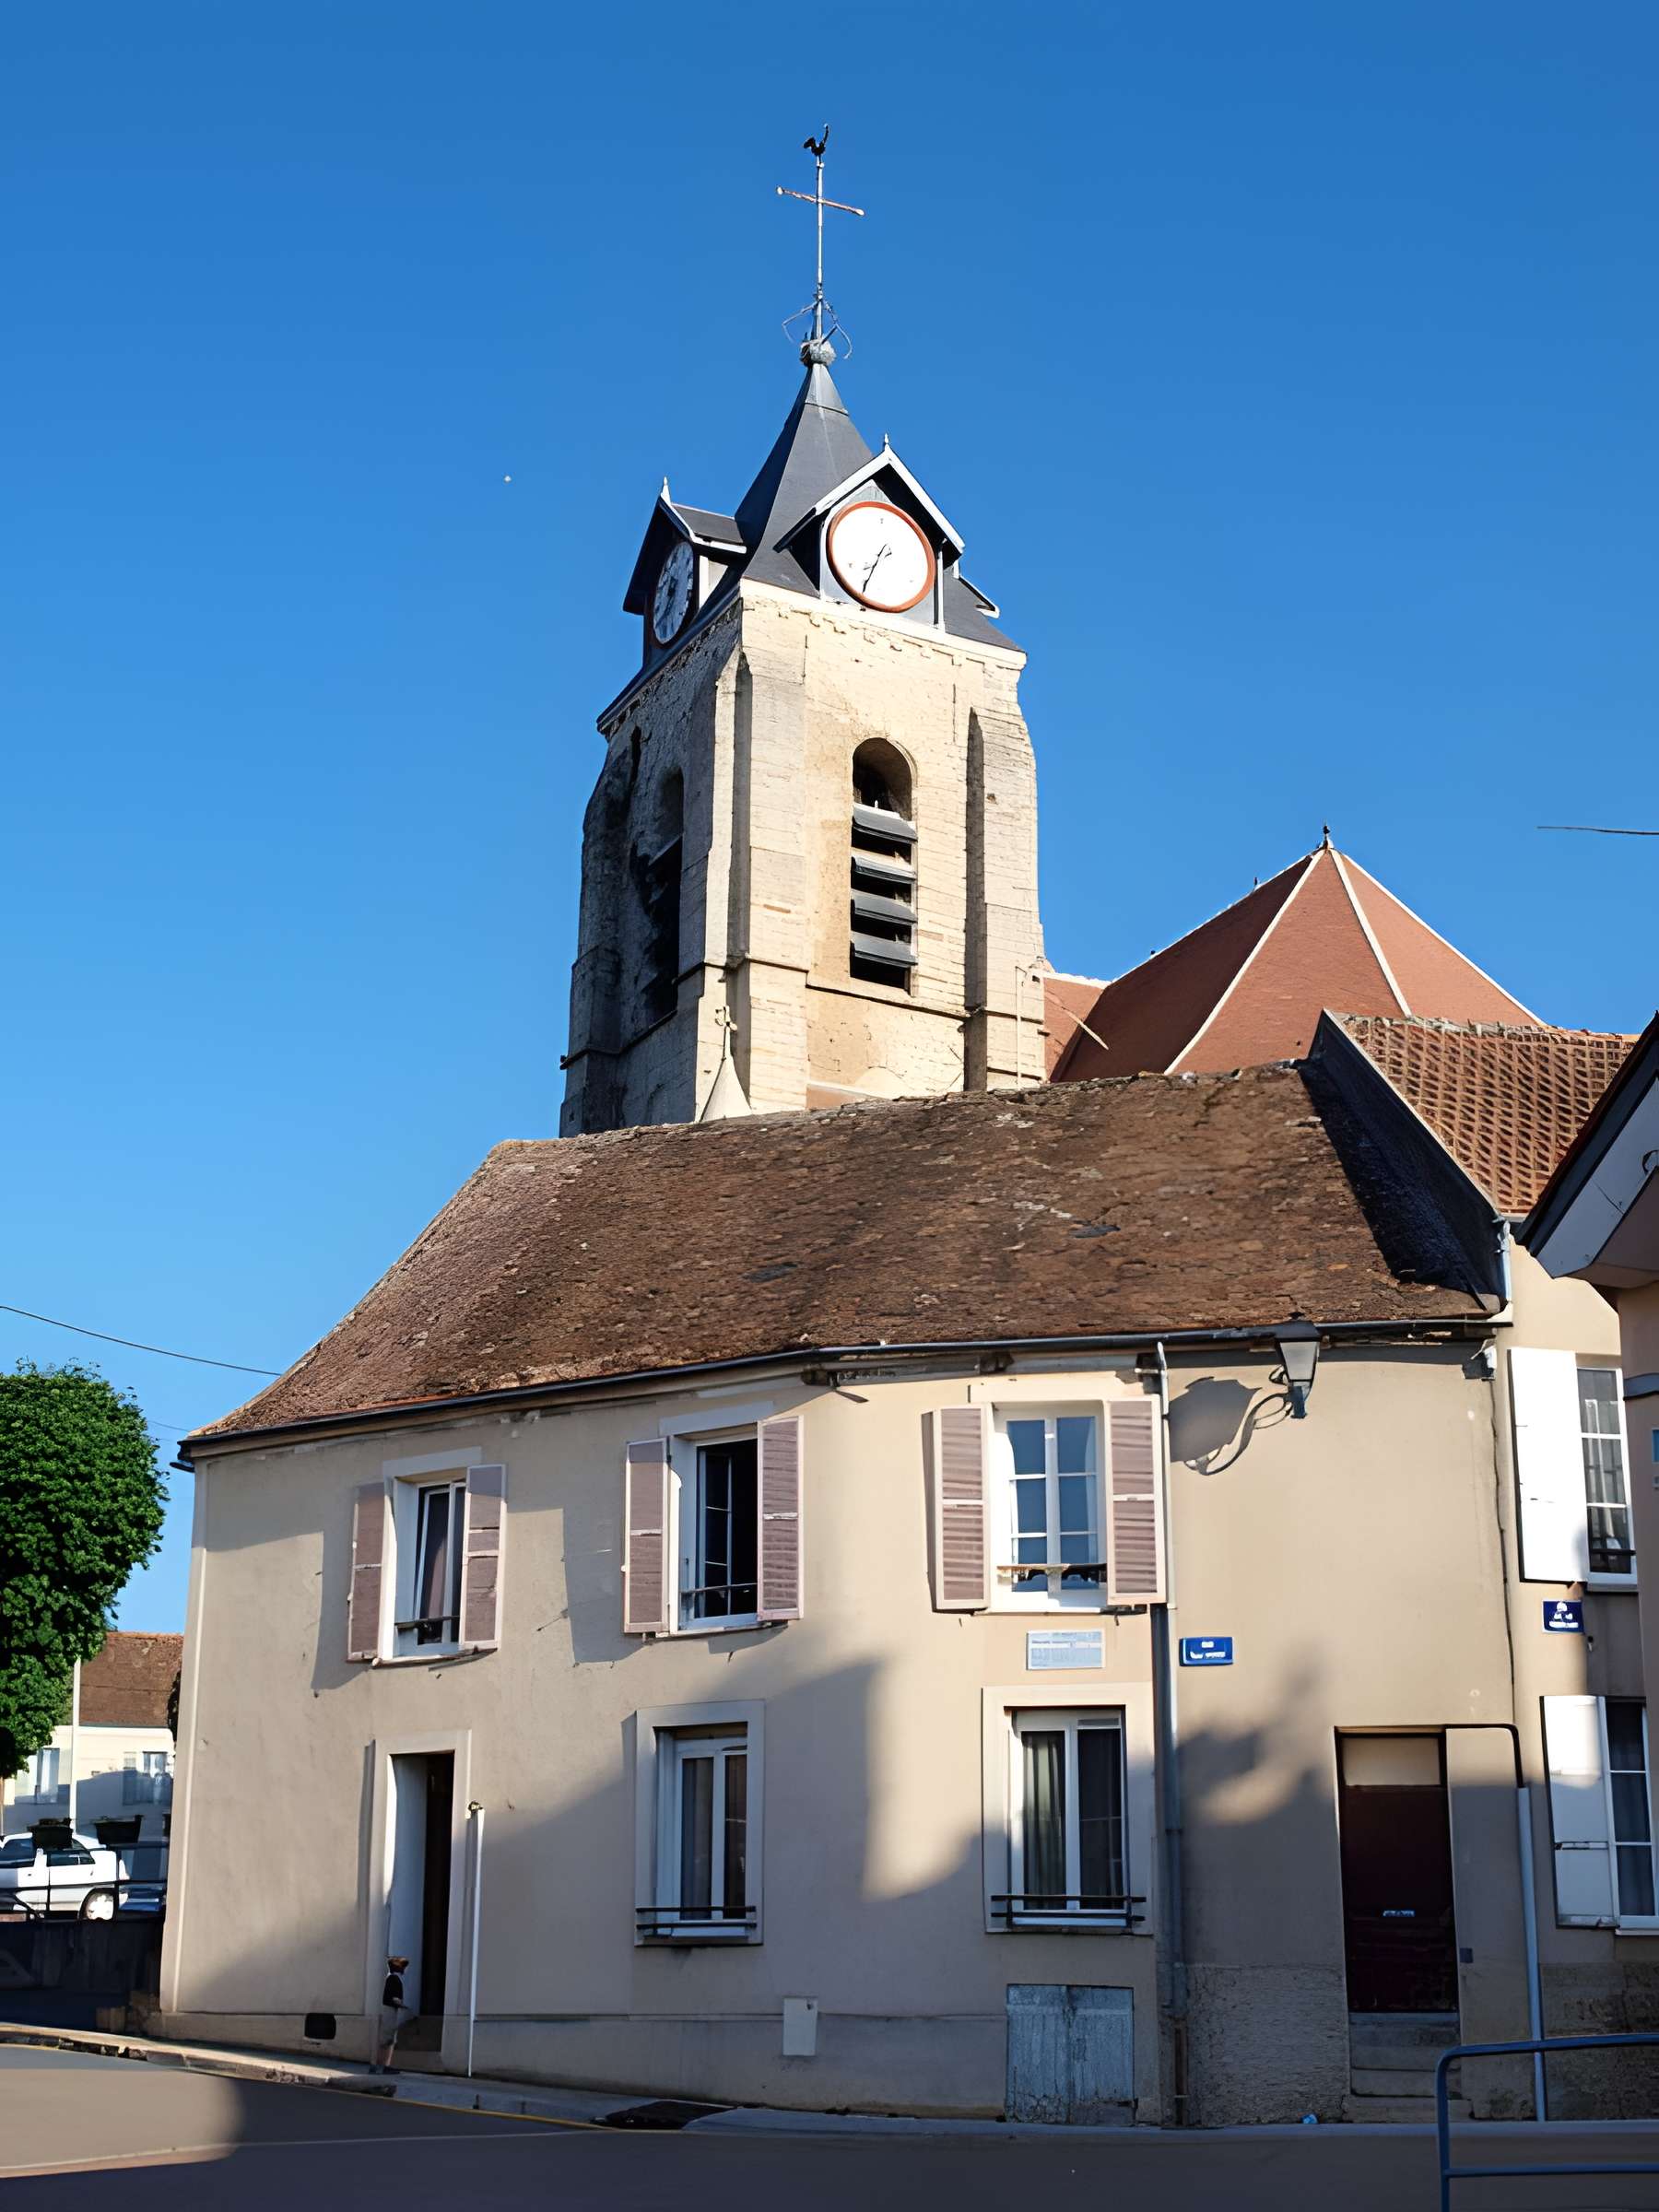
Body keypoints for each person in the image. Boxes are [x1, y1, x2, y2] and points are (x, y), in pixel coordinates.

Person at [374, 1955, 411, 2071]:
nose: (406, 1969)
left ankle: (383, 2066)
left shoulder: (391, 1978)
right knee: (387, 2040)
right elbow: (394, 1999)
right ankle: (382, 2066)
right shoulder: (394, 1979)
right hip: (390, 2011)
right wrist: (405, 2007)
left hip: (389, 2010)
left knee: (388, 2039)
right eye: (405, 1967)